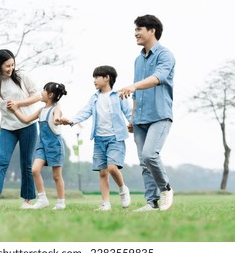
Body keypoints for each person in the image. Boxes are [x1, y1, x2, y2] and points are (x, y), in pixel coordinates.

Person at [119, 14, 175, 212]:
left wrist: (133, 86)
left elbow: (157, 78)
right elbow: (136, 94)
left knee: (151, 155)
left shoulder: (165, 55)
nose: (135, 33)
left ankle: (166, 188)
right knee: (144, 163)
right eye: (135, 29)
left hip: (159, 115)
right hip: (140, 118)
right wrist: (133, 118)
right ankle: (152, 202)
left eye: (139, 29)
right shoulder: (138, 60)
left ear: (152, 30)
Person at [61, 65, 132, 211]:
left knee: (112, 167)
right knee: (102, 172)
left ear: (107, 78)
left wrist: (133, 123)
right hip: (99, 139)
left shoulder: (118, 96)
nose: (94, 80)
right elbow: (85, 111)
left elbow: (129, 112)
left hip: (116, 138)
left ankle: (122, 189)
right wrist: (72, 120)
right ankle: (105, 203)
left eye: (96, 77)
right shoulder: (94, 98)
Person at [0, 49, 41, 210]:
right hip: (8, 128)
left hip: (27, 125)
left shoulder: (22, 77)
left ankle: (27, 201)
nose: (11, 68)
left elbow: (38, 96)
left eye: (12, 64)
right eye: (7, 66)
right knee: (2, 160)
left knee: (26, 164)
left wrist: (19, 104)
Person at [10, 82, 68, 210]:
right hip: (42, 145)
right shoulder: (41, 110)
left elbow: (57, 117)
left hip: (55, 146)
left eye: (44, 90)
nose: (41, 92)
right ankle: (42, 199)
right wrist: (15, 110)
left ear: (51, 95)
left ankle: (60, 203)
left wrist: (58, 120)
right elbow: (26, 120)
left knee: (57, 176)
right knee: (35, 170)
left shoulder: (56, 109)